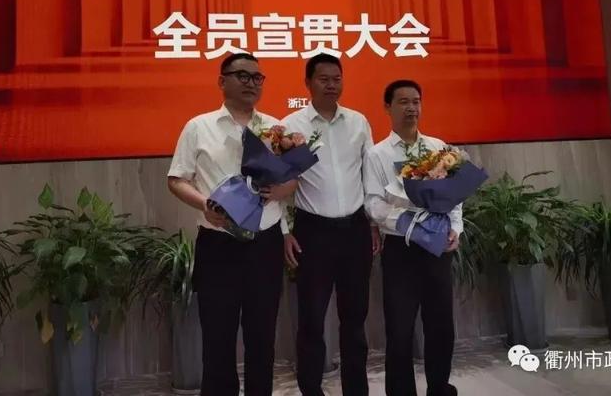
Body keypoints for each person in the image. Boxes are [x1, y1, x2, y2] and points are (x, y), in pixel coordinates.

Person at [167, 52, 297, 396]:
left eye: (257, 77)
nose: (251, 83)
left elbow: (292, 181)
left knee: (262, 337)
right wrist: (204, 205)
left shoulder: (275, 129)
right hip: (218, 243)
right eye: (242, 75)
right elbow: (177, 179)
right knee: (217, 337)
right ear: (222, 81)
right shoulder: (199, 127)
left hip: (264, 243)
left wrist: (280, 191)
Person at [282, 53, 381, 396]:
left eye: (337, 79)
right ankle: (311, 389)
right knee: (311, 319)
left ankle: (357, 389)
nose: (331, 85)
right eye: (323, 79)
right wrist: (284, 231)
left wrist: (373, 222)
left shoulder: (358, 122)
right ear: (307, 83)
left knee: (354, 319)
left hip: (355, 231)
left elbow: (370, 176)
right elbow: (278, 182)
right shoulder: (291, 126)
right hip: (313, 232)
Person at [364, 79, 462, 396]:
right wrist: (408, 222)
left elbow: (454, 196)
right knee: (400, 329)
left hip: (437, 246)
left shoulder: (437, 148)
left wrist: (455, 228)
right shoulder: (377, 154)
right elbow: (373, 203)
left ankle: (439, 386)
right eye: (403, 102)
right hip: (400, 248)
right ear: (388, 107)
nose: (411, 108)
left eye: (416, 101)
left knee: (441, 325)